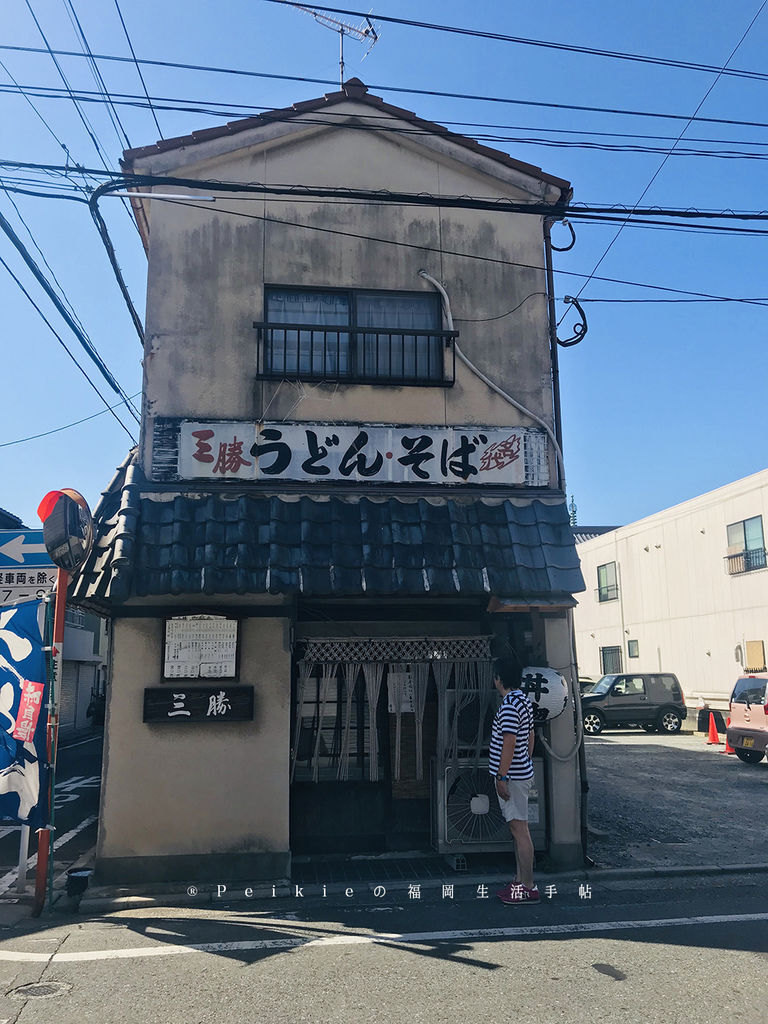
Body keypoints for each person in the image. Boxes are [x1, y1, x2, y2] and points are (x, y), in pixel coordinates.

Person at [489, 658, 539, 904]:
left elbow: (509, 741)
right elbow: (530, 736)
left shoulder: (509, 704)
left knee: (519, 830)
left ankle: (528, 886)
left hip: (512, 777)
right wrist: (524, 761)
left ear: (499, 678)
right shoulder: (524, 701)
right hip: (521, 772)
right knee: (520, 828)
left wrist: (502, 775)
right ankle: (519, 882)